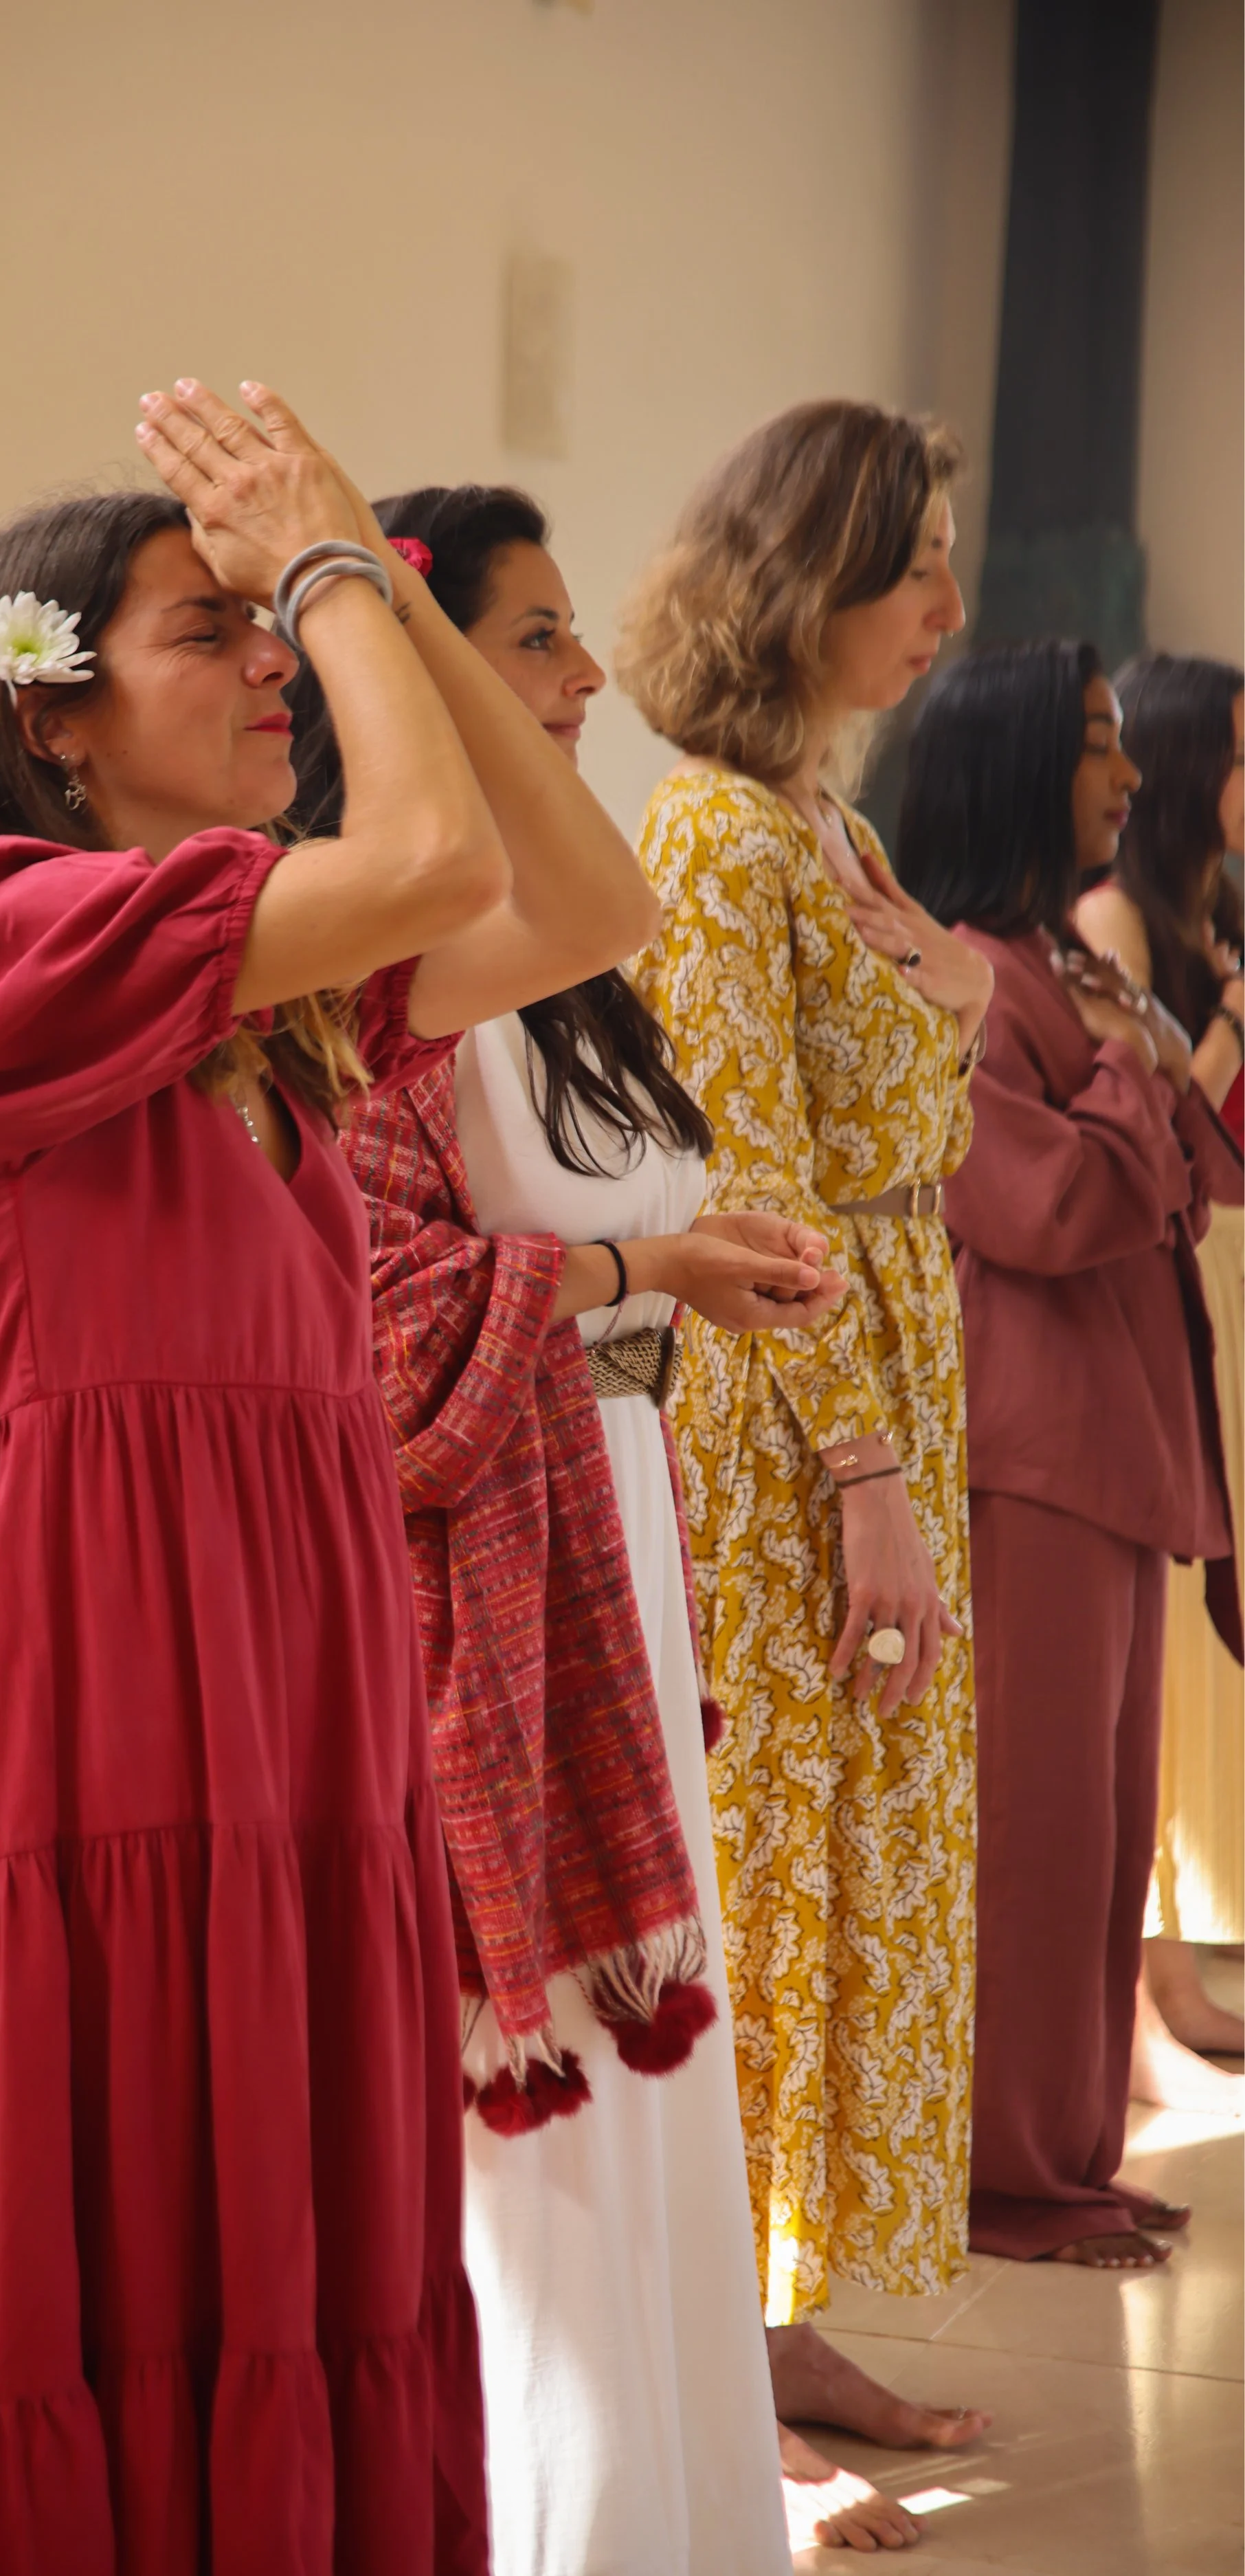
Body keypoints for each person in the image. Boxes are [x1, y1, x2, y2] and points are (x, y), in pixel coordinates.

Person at [0, 379, 660, 2575]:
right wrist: (330, 564)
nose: (267, 670)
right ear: (48, 717)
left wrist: (354, 584)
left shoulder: (271, 1016)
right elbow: (425, 859)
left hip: (307, 1717)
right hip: (116, 1723)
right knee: (131, 2239)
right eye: (195, 632)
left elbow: (577, 898)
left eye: (260, 629)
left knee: (317, 2240)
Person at [290, 482, 845, 2571]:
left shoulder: (558, 953)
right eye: (530, 640)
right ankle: (564, 2518)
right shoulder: (365, 954)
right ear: (419, 678)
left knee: (655, 2086)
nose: (587, 675)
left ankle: (697, 2497)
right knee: (532, 2130)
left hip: (606, 1523)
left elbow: (565, 1206)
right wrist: (645, 1281)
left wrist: (674, 1267)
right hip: (488, 1562)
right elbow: (390, 1309)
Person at [617, 400, 993, 2543]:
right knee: (763, 1873)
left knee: (855, 1873)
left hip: (883, 1388)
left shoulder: (824, 830)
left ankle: (781, 2312)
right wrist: (859, 1470)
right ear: (800, 581)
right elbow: (743, 1175)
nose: (944, 607)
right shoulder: (709, 842)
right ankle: (708, 2359)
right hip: (784, 1436)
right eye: (908, 566)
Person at [897, 641, 1241, 2267]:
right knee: (1031, 1832)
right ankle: (1006, 2171)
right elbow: (1043, 1201)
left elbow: (1181, 1171)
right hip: (1025, 1440)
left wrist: (1136, 1072)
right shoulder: (959, 966)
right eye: (1097, 745)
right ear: (1015, 766)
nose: (1125, 776)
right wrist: (1130, 1061)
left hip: (1102, 1438)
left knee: (1098, 1827)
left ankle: (1064, 2147)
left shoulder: (1041, 959)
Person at [1073, 656, 1245, 2102]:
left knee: (1197, 1639)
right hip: (1183, 1270)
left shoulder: (1198, 907)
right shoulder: (1113, 913)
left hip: (1222, 1273)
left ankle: (1175, 1955)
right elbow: (1150, 1100)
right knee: (1167, 1633)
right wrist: (1236, 1009)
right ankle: (1147, 1977)